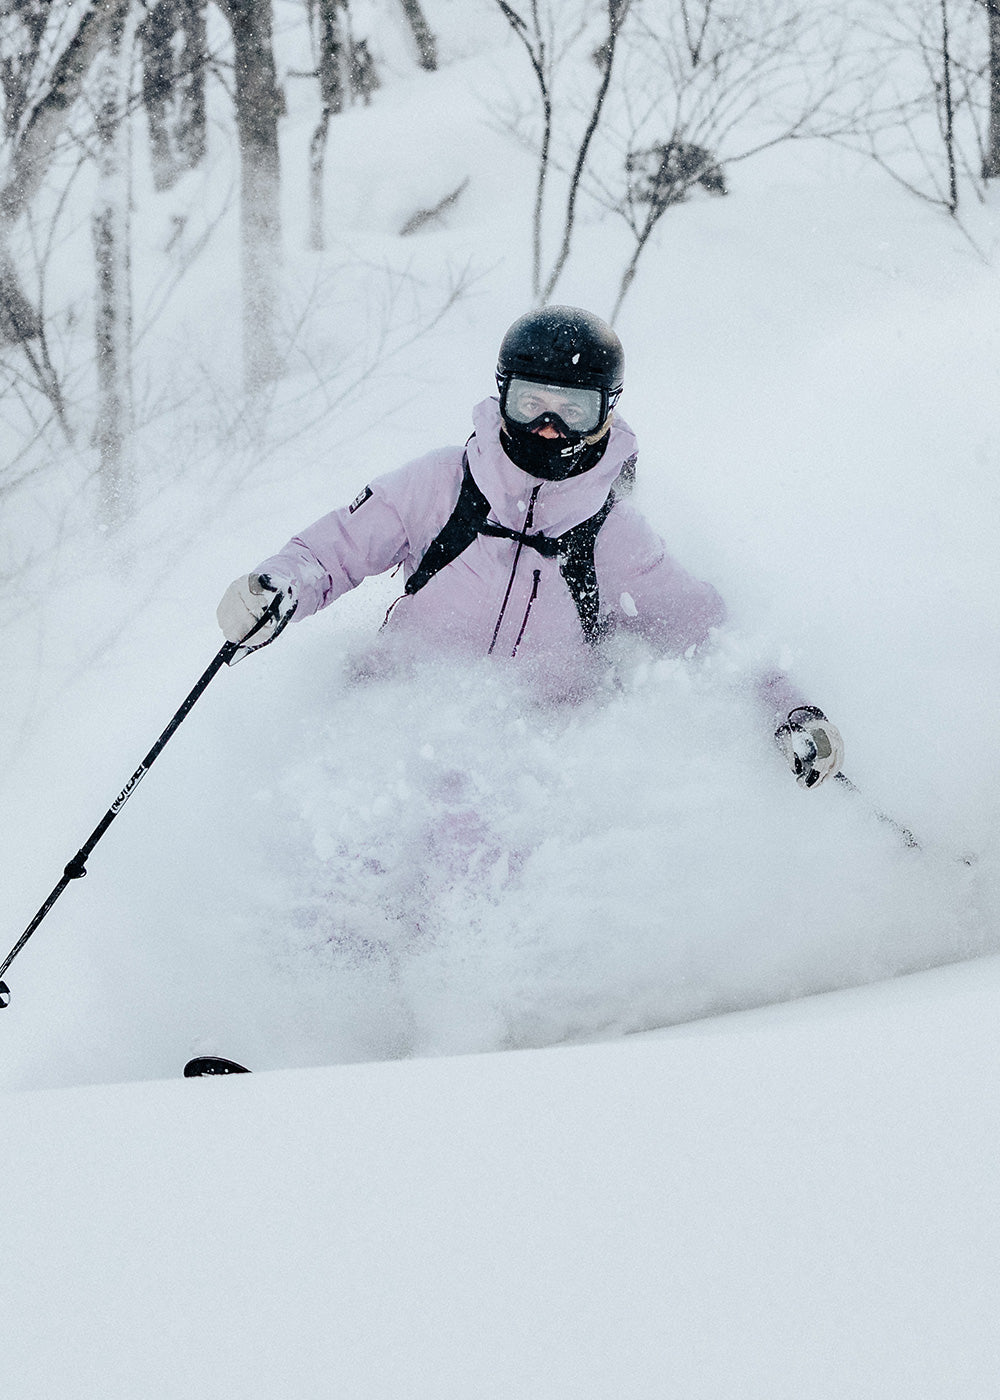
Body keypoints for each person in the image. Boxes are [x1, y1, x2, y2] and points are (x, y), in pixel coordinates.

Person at [218, 306, 844, 789]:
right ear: (502, 396)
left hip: (531, 758)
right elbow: (336, 551)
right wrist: (274, 589)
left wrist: (788, 711)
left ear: (606, 411)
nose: (549, 427)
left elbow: (704, 634)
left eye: (571, 408)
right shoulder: (442, 484)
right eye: (531, 404)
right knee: (354, 860)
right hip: (394, 720)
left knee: (474, 858)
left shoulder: (613, 533)